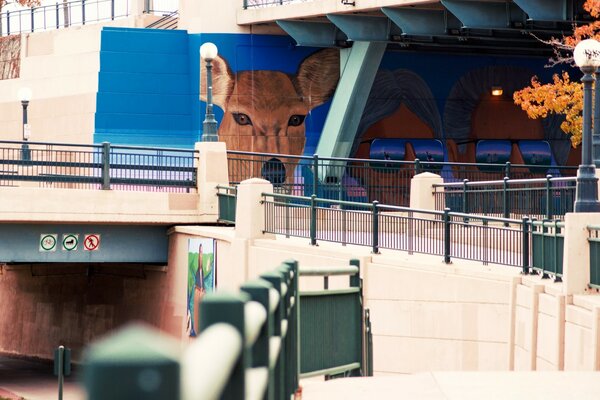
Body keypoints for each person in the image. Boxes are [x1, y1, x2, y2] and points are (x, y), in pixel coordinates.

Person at [192, 243, 205, 336]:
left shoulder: (201, 271)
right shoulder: (198, 270)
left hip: (200, 290)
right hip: (198, 290)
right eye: (200, 252)